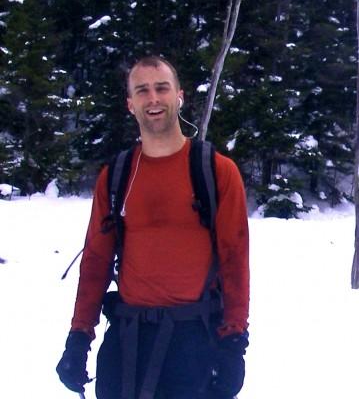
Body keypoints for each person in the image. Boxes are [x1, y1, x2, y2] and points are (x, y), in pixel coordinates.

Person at [55, 55, 250, 398]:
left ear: (179, 96)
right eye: (142, 90)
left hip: (193, 341)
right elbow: (97, 262)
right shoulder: (115, 176)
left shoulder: (216, 171)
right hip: (127, 342)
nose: (154, 98)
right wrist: (79, 337)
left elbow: (235, 259)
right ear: (130, 104)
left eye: (162, 88)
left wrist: (233, 343)